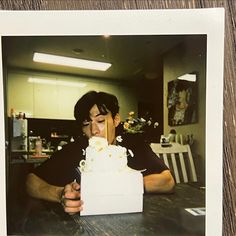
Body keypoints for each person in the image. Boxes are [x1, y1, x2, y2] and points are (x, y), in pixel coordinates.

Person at [26, 91, 175, 215]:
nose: (93, 131)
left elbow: (167, 181)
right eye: (86, 124)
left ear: (116, 120)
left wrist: (127, 185)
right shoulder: (74, 150)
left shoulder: (134, 144)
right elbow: (30, 181)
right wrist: (60, 194)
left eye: (101, 121)